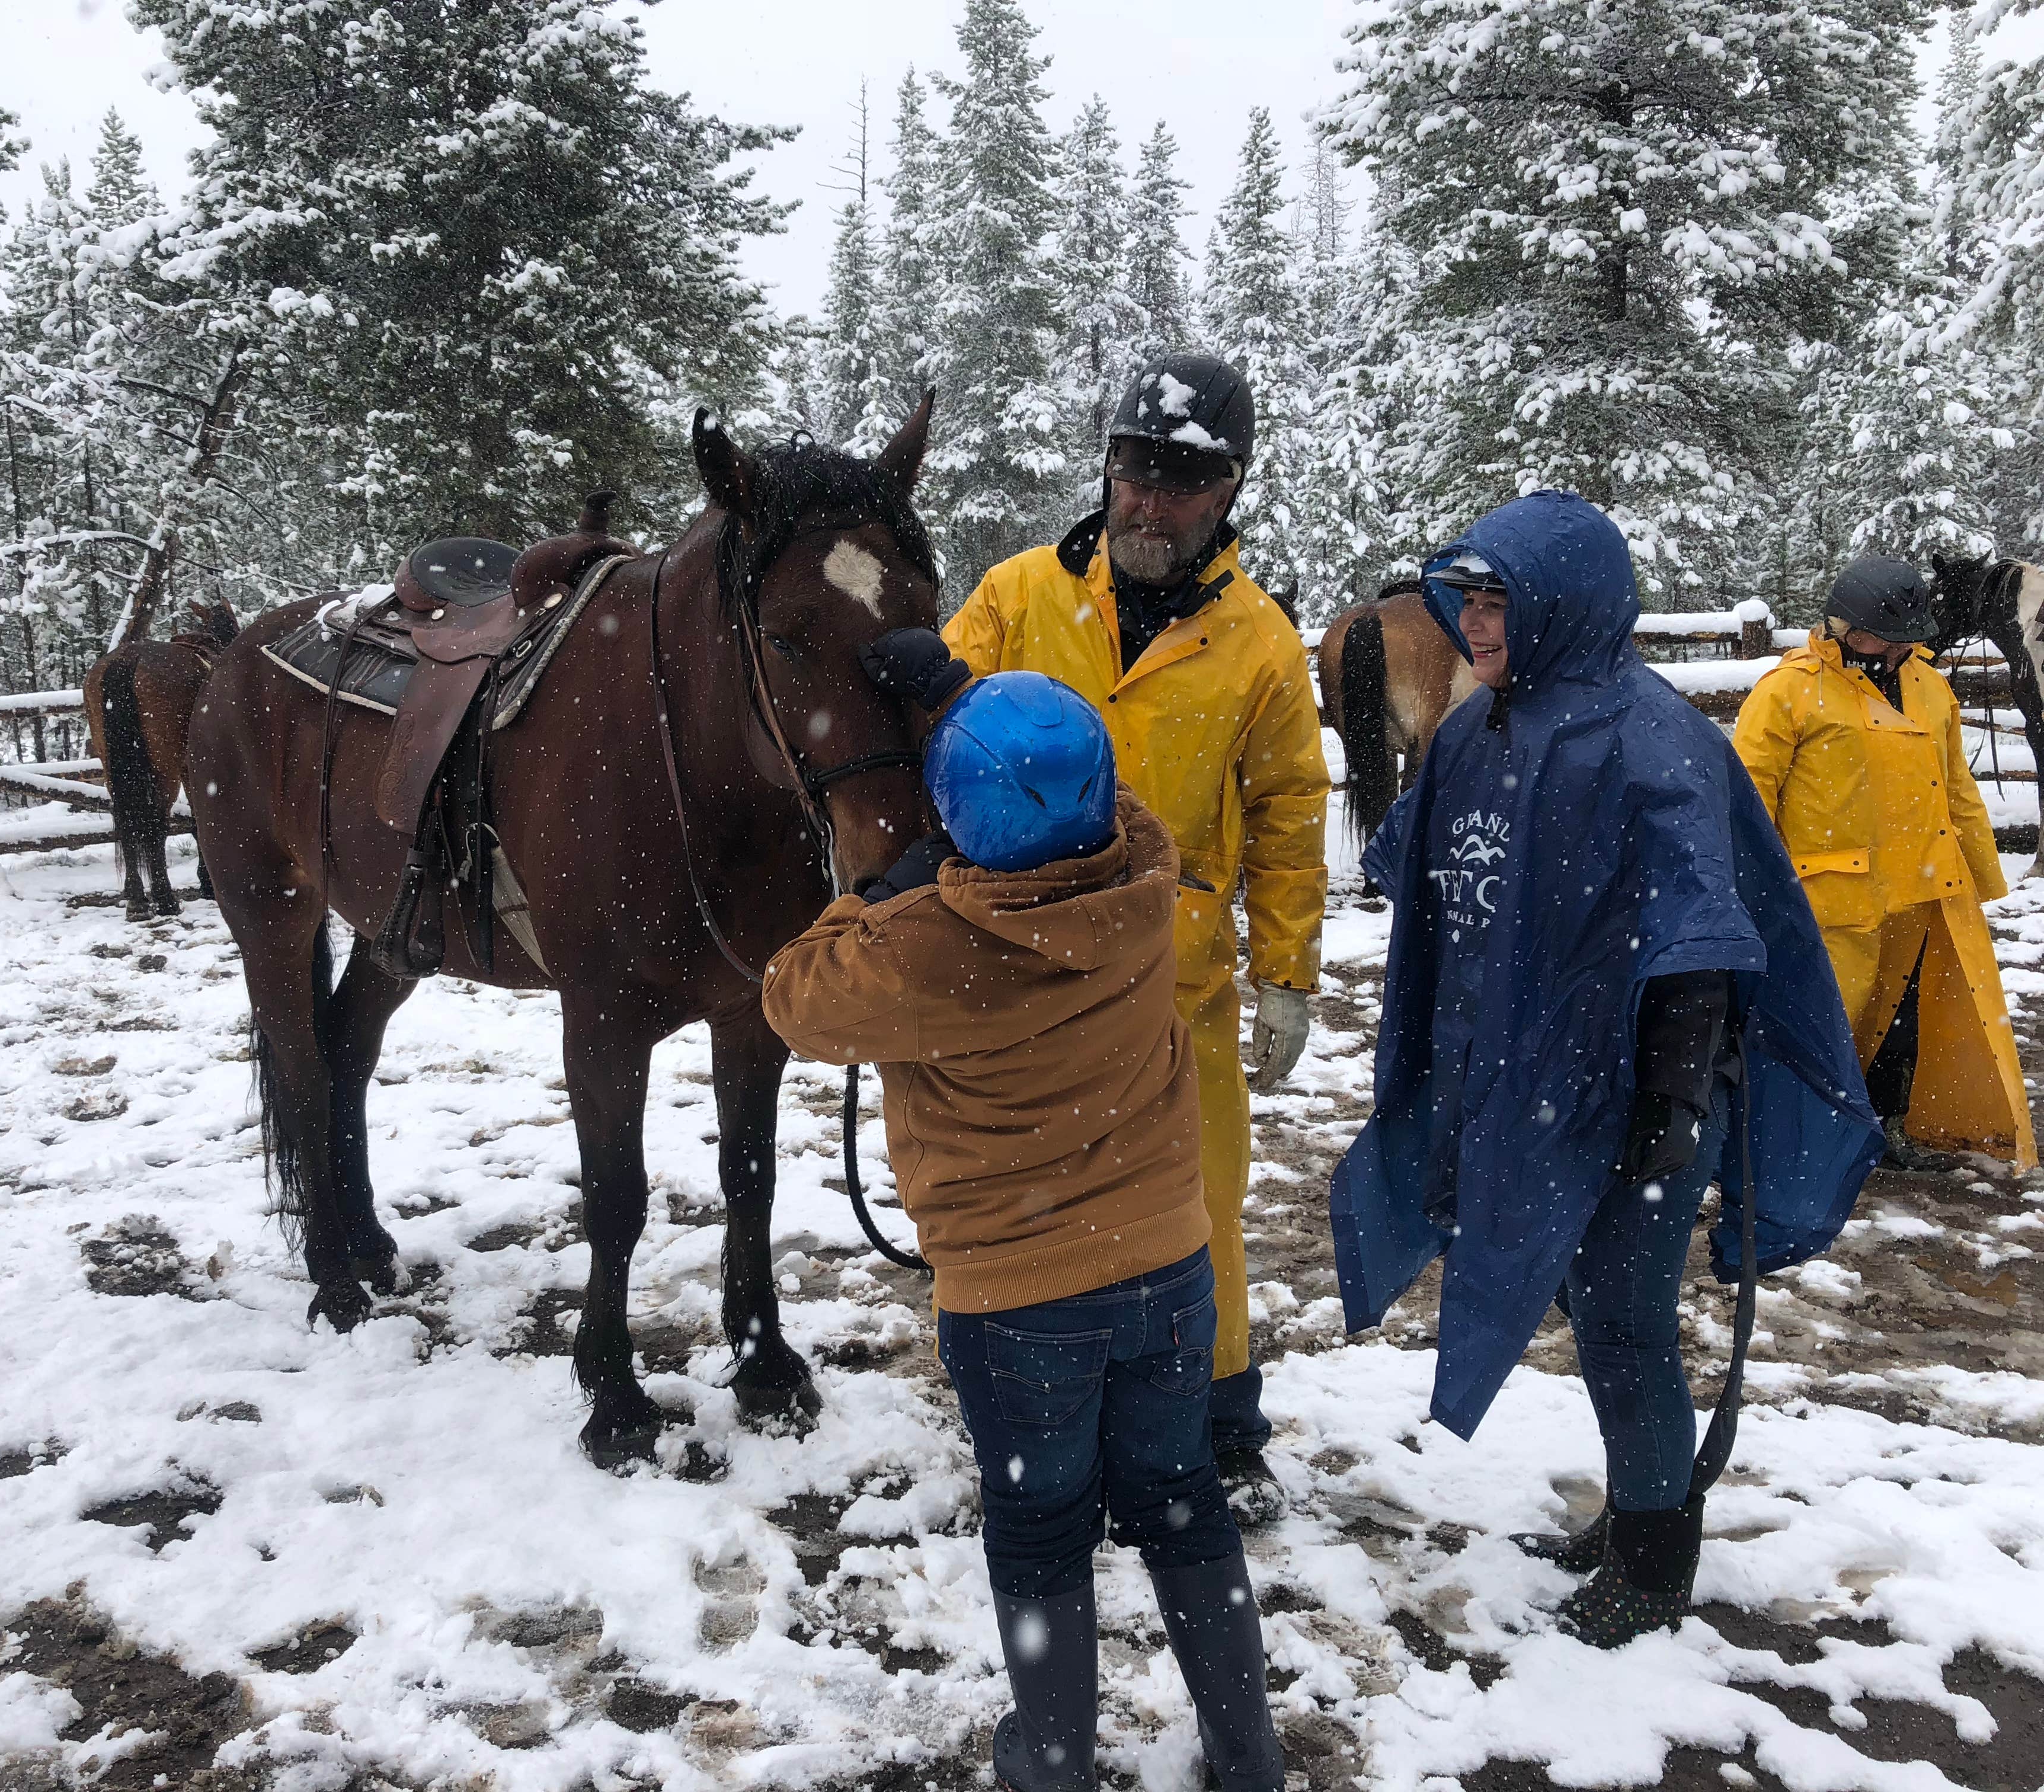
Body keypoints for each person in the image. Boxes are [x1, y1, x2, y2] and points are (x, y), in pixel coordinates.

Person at [1330, 492, 1880, 1648]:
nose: (1476, 624)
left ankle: (1653, 1556)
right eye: (1468, 598)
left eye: (1500, 601)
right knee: (1584, 1300)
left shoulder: (1654, 742)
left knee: (1625, 1315)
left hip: (1635, 1092)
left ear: (1562, 604)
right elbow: (1426, 866)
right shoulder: (1485, 728)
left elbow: (1701, 946)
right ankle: (1645, 1499)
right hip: (1523, 1071)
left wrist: (1672, 1106)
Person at [763, 672, 1287, 1792]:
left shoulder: (917, 949)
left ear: (954, 816)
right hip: (1169, 1267)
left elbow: (790, 995)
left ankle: (1051, 1757)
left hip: (1016, 1303)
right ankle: (1248, 1752)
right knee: (1181, 1495)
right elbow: (1102, 793)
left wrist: (889, 879)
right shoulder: (1145, 879)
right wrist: (979, 715)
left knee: (1041, 1523)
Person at [935, 351, 1330, 1520]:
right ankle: (1043, 1413)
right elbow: (938, 740)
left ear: (1230, 491)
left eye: (1184, 478)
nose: (1150, 499)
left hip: (1177, 975)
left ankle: (1217, 1417)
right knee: (1028, 1196)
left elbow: (1290, 812)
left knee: (1197, 1199)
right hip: (1023, 964)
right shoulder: (1017, 596)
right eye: (1133, 469)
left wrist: (1289, 976)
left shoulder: (1259, 642)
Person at [1730, 558, 2035, 1173]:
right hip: (1828, 896)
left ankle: (1886, 1129)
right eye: (1883, 637)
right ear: (1841, 626)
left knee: (1905, 1020)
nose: (1896, 650)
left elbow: (1955, 785)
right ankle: (1793, 1148)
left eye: (1906, 639)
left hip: (1924, 889)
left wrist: (1979, 875)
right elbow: (1747, 797)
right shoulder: (1789, 691)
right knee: (1824, 1023)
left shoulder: (1929, 685)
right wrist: (1745, 889)